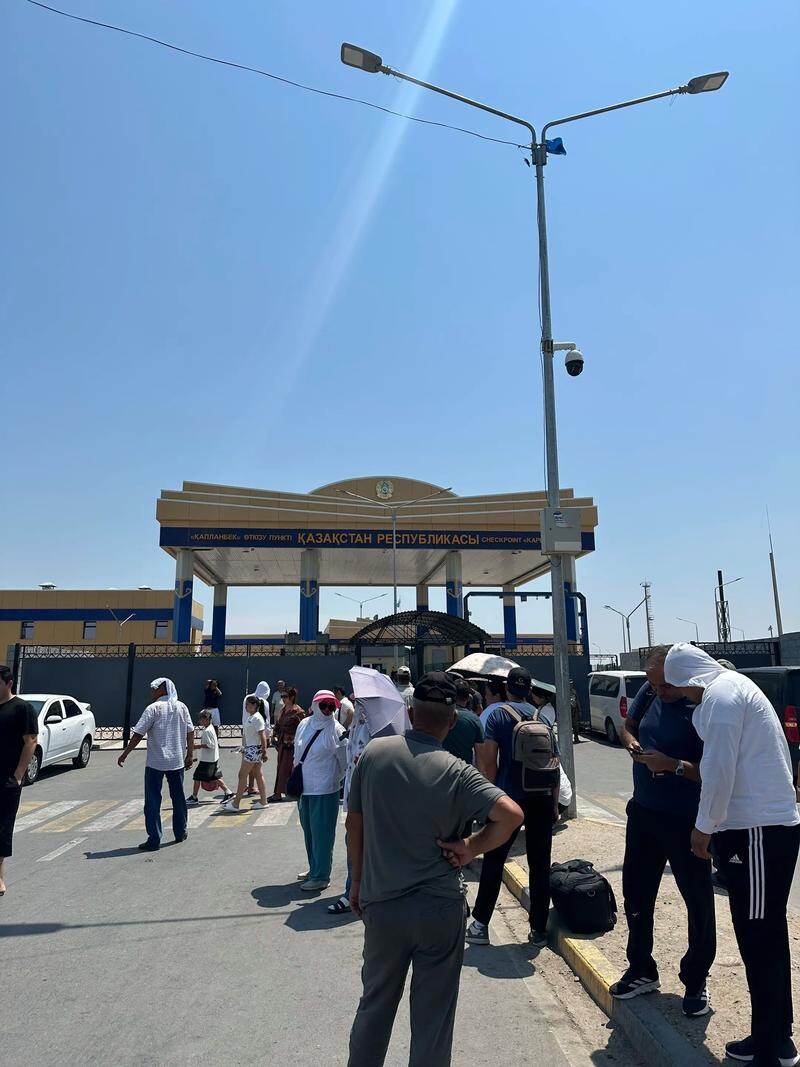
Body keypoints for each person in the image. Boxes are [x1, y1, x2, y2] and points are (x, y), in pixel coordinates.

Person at [346, 671, 523, 1067]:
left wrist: (356, 883)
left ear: (410, 713)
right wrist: (470, 848)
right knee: (433, 1019)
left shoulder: (374, 754)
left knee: (375, 1005)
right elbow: (511, 815)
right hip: (440, 910)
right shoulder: (458, 771)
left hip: (383, 904)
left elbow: (354, 825)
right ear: (452, 721)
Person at [665, 643, 800, 1067]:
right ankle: (775, 1039)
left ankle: (770, 1051)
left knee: (759, 940)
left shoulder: (721, 697)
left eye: (675, 686)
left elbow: (718, 770)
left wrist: (703, 827)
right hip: (758, 829)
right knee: (765, 935)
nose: (679, 695)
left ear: (687, 677)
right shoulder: (732, 689)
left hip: (757, 831)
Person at [611, 645, 715, 1018]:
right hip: (644, 811)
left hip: (686, 819)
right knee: (636, 894)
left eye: (665, 686)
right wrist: (632, 744)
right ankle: (641, 968)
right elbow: (628, 727)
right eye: (654, 685)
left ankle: (696, 980)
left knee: (697, 902)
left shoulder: (704, 704)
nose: (659, 692)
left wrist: (673, 765)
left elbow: (717, 772)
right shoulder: (650, 690)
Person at [469, 666, 556, 947]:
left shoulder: (497, 715)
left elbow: (487, 763)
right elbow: (554, 764)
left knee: (494, 859)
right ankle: (538, 930)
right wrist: (554, 805)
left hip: (509, 800)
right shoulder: (541, 717)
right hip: (542, 798)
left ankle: (480, 924)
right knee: (540, 863)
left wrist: (489, 800)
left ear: (507, 688)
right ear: (529, 690)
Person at [118, 677, 194, 851]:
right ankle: (180, 832)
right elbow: (190, 732)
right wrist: (189, 754)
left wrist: (125, 753)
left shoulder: (153, 708)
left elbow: (138, 734)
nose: (151, 692)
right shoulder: (181, 707)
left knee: (152, 801)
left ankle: (154, 839)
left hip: (155, 763)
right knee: (178, 798)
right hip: (176, 761)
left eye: (154, 689)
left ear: (163, 689)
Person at [293, 690, 347, 892]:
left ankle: (321, 876)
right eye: (323, 705)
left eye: (331, 706)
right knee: (309, 831)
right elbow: (297, 753)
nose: (327, 710)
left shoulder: (337, 730)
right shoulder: (304, 724)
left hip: (325, 790)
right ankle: (314, 867)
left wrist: (333, 780)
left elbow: (344, 763)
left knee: (322, 834)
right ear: (315, 705)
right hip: (304, 788)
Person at [0, 665, 38, 895]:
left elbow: (31, 741)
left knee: (2, 826)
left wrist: (18, 775)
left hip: (7, 778)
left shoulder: (22, 708)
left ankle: (0, 876)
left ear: (9, 683)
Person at [224, 696, 268, 812]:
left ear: (254, 705)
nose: (246, 706)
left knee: (242, 775)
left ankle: (236, 804)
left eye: (248, 704)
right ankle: (263, 801)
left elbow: (262, 735)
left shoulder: (257, 718)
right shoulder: (252, 717)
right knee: (258, 774)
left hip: (253, 750)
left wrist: (264, 751)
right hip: (252, 749)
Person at [187, 710, 233, 805]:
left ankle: (194, 797)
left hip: (207, 760)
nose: (199, 721)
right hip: (212, 758)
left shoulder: (207, 731)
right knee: (214, 777)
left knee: (197, 776)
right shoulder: (210, 728)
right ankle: (228, 793)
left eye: (201, 719)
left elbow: (210, 745)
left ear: (206, 719)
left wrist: (197, 746)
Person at [269, 686, 303, 803]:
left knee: (288, 769)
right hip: (282, 744)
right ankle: (284, 792)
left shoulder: (298, 711)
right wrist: (274, 734)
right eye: (282, 696)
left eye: (285, 696)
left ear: (292, 697)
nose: (283, 698)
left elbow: (302, 728)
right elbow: (278, 724)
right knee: (282, 768)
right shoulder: (283, 709)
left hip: (292, 745)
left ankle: (279, 793)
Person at [442, 679, 484, 764]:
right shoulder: (474, 720)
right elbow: (480, 757)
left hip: (441, 766)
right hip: (464, 769)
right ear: (468, 698)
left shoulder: (441, 714)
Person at [244, 681, 271, 796]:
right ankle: (252, 790)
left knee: (248, 773)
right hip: (256, 741)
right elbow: (267, 722)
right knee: (256, 772)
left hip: (250, 740)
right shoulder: (263, 703)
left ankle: (248, 788)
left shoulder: (248, 698)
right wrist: (267, 739)